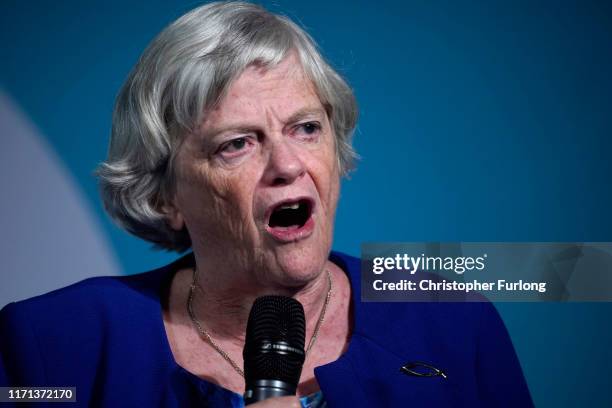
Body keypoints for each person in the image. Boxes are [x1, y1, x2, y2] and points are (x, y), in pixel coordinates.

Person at [0, 2, 533, 407]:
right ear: (166, 194)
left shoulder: (451, 320)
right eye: (237, 143)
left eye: (305, 128)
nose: (288, 164)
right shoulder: (52, 344)